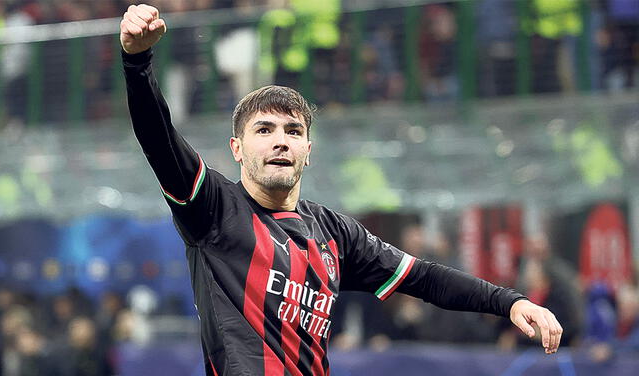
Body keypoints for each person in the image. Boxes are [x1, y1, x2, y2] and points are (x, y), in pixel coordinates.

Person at [119, 4, 563, 375]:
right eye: (264, 129)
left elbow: (423, 277)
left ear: (307, 151)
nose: (280, 140)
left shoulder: (335, 234)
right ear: (237, 148)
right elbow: (158, 138)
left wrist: (510, 301)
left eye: (293, 131)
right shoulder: (213, 209)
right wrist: (138, 64)